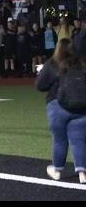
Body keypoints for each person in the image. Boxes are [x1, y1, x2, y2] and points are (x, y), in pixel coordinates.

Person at [35, 38, 86, 184]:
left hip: (58, 106)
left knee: (59, 140)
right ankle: (83, 173)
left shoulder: (52, 64)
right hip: (80, 107)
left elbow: (40, 86)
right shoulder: (81, 63)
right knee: (79, 140)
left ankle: (57, 170)